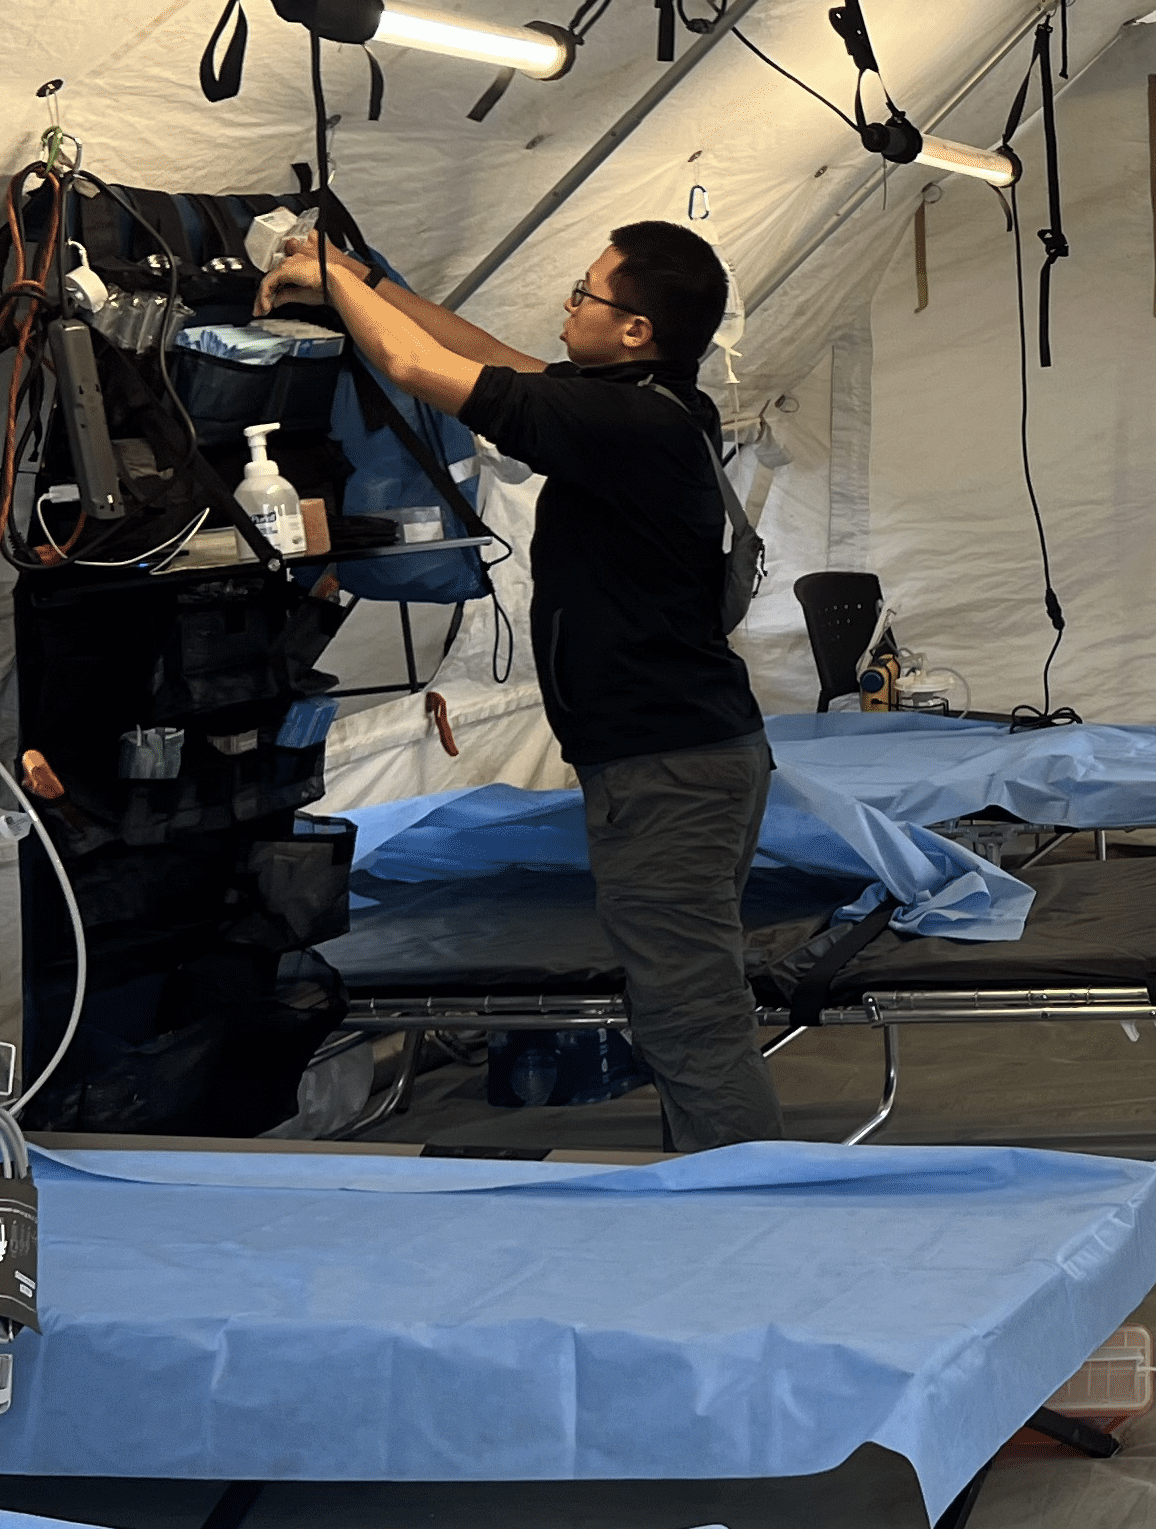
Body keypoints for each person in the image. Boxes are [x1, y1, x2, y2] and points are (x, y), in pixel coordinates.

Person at [262, 217, 783, 1151]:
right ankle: (718, 1177)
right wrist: (351, 272)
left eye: (588, 293)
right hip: (689, 754)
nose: (570, 304)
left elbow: (423, 372)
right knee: (684, 998)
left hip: (667, 769)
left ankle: (739, 1203)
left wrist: (332, 288)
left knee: (689, 1012)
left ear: (635, 329)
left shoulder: (621, 423)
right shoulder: (655, 401)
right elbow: (486, 353)